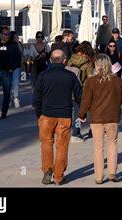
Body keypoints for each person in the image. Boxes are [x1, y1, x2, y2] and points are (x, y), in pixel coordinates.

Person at [33, 49, 82, 186]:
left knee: (46, 144)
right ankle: (59, 176)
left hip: (46, 115)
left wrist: (39, 114)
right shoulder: (70, 76)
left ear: (50, 61)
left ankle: (47, 170)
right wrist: (82, 113)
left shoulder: (43, 76)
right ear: (65, 60)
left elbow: (36, 98)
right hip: (64, 115)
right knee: (62, 146)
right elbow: (79, 96)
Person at [79, 54, 122, 184]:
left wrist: (82, 114)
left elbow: (86, 100)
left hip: (97, 117)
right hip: (112, 116)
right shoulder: (117, 80)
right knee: (112, 144)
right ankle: (112, 173)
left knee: (98, 147)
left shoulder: (91, 81)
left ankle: (99, 177)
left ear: (97, 66)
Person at [0, 26, 21, 119]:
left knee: (7, 92)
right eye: (5, 34)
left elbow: (18, 58)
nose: (7, 36)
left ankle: (4, 112)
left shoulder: (13, 45)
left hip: (7, 72)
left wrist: (12, 68)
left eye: (8, 34)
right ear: (0, 35)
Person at [66, 41, 95, 142]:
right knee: (81, 112)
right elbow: (90, 78)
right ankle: (76, 133)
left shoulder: (72, 58)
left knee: (72, 111)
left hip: (69, 88)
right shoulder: (88, 62)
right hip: (81, 89)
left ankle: (72, 132)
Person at [9, 31, 23, 108]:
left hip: (17, 66)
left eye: (17, 37)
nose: (17, 38)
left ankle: (16, 98)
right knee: (8, 83)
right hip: (8, 66)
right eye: (15, 37)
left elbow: (21, 52)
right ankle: (8, 98)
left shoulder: (19, 44)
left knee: (16, 82)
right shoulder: (8, 44)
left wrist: (18, 42)